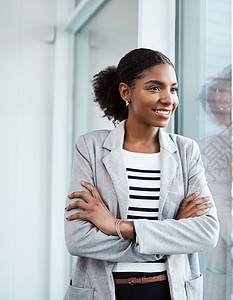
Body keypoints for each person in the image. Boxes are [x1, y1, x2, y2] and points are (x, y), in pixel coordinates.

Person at [64, 48, 219, 300]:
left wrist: (118, 226)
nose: (168, 99)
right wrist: (171, 236)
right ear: (126, 92)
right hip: (105, 290)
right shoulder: (90, 147)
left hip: (169, 291)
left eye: (173, 89)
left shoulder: (186, 150)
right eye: (155, 88)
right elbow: (79, 240)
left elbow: (207, 232)